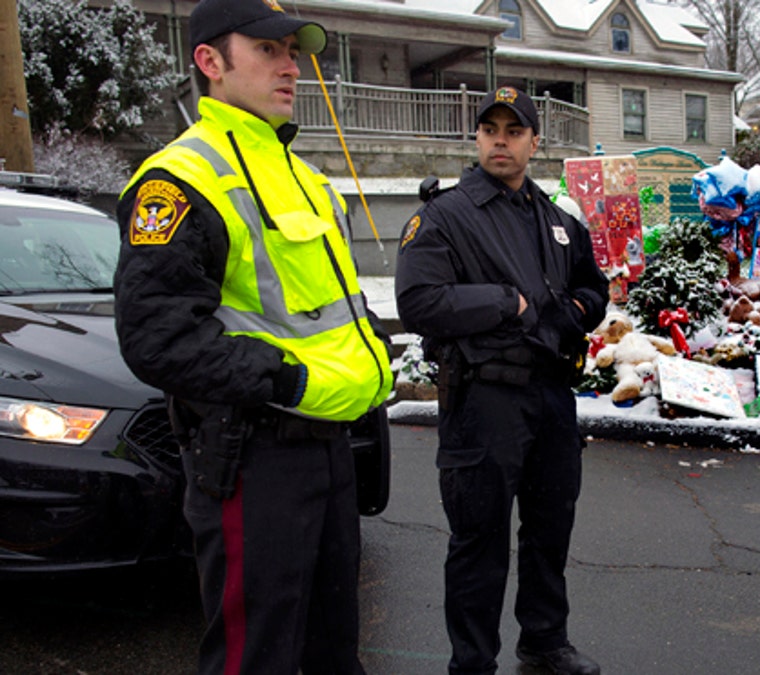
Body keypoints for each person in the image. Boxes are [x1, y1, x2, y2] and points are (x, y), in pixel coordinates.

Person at [112, 1, 393, 672]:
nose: (291, 66)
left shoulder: (303, 175)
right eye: (267, 49)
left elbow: (331, 306)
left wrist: (373, 352)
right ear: (209, 61)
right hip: (255, 454)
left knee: (334, 648)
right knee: (254, 655)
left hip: (330, 446)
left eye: (293, 50)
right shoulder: (180, 178)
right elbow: (156, 336)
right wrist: (285, 379)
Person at [395, 86, 609, 675]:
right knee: (479, 539)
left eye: (513, 131)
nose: (500, 140)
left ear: (534, 143)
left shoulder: (557, 220)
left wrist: (575, 314)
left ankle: (544, 640)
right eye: (490, 129)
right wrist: (505, 303)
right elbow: (417, 301)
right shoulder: (445, 215)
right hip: (483, 397)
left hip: (550, 396)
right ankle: (472, 663)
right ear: (478, 138)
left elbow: (595, 288)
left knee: (549, 529)